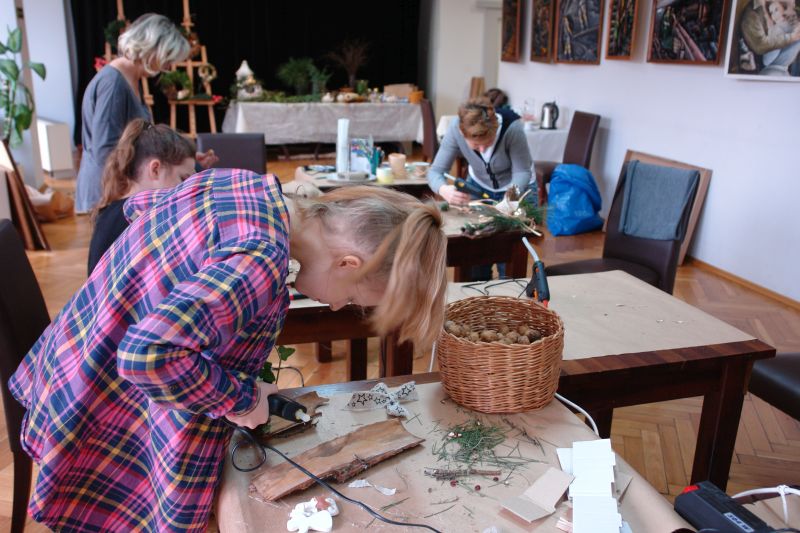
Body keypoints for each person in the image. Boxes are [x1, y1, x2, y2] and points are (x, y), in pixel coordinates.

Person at [9, 169, 448, 531]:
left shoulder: (243, 186)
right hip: (104, 409)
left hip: (70, 370)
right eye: (351, 298)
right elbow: (147, 355)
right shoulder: (260, 257)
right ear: (347, 263)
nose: (335, 307)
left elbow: (140, 207)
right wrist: (240, 399)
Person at [75, 13, 216, 213]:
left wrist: (181, 162)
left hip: (121, 191)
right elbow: (105, 150)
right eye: (167, 59)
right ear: (151, 49)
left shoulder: (131, 79)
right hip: (108, 194)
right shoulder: (113, 84)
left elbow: (139, 141)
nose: (168, 67)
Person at [88, 119, 197, 274]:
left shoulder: (114, 211)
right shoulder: (134, 220)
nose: (188, 188)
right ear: (155, 170)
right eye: (183, 179)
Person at [740, 0, 800, 75]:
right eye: (771, 13)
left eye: (776, 10)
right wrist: (791, 37)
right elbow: (761, 48)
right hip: (772, 65)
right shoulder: (752, 15)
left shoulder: (782, 24)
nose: (773, 15)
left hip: (778, 66)